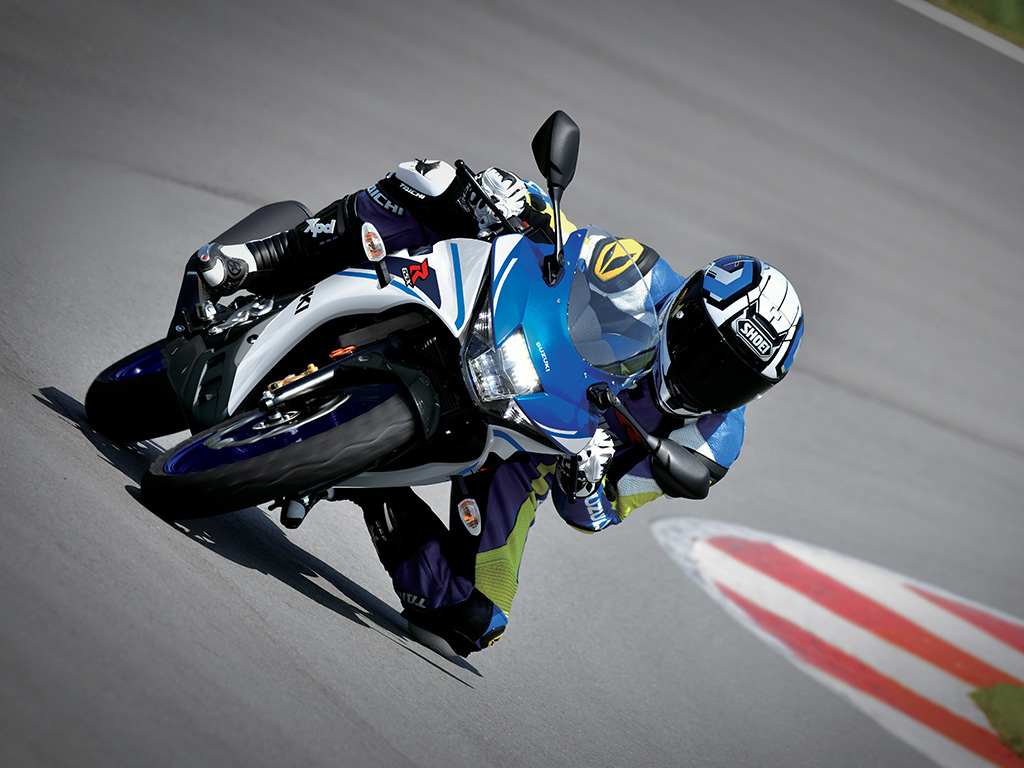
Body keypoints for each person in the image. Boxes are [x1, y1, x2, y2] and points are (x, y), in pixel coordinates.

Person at [196, 159, 805, 658]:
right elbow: (565, 243)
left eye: (735, 380)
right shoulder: (640, 275)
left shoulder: (709, 445)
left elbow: (597, 513)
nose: (709, 380)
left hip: (539, 452)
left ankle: (353, 475)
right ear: (688, 308)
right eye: (707, 351)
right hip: (516, 344)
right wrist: (519, 199)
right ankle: (262, 257)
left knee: (470, 617)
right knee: (438, 185)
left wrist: (587, 480)